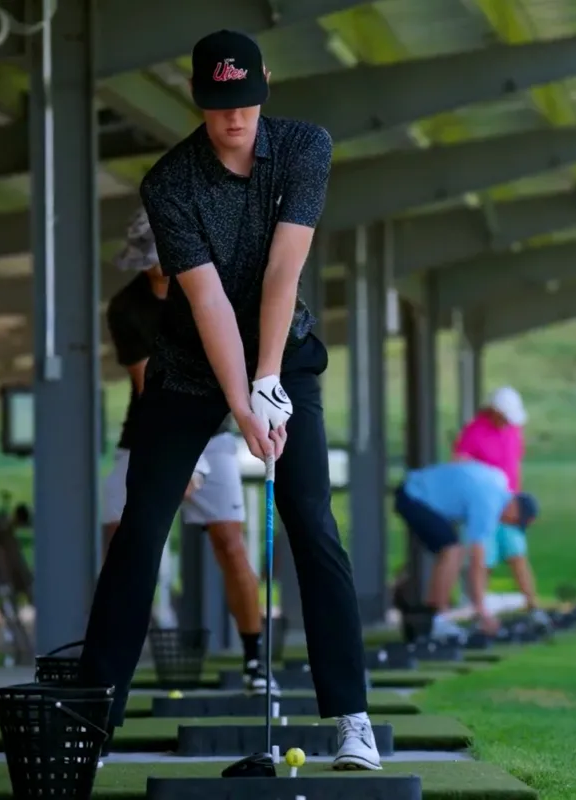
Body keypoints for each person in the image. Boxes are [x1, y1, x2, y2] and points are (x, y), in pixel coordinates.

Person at [77, 30, 380, 770]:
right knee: (142, 523)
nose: (233, 118)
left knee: (310, 519)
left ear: (265, 86)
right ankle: (92, 723)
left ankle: (351, 719)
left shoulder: (305, 147)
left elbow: (284, 269)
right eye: (217, 105)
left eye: (244, 101)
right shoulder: (170, 183)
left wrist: (269, 379)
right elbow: (207, 301)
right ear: (197, 99)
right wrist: (242, 406)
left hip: (287, 354)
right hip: (188, 368)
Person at [104, 209, 276, 693]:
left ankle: (254, 661)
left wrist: (197, 459)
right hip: (146, 431)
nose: (148, 269)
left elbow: (225, 370)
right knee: (121, 541)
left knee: (228, 541)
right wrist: (176, 460)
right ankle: (113, 664)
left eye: (154, 260)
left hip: (213, 429)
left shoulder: (203, 290)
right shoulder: (126, 306)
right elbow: (147, 385)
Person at [394, 460, 540, 640]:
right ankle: (439, 619)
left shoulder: (498, 485)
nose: (510, 525)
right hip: (413, 495)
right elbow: (477, 560)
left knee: (452, 549)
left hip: (416, 491)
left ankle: (429, 615)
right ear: (514, 508)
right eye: (516, 522)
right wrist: (482, 611)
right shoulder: (489, 505)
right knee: (452, 550)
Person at [451, 386, 544, 619]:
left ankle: (534, 606)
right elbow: (460, 467)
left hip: (509, 506)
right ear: (493, 411)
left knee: (517, 553)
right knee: (485, 560)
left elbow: (515, 463)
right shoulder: (473, 432)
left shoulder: (513, 430)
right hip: (484, 508)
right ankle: (480, 610)